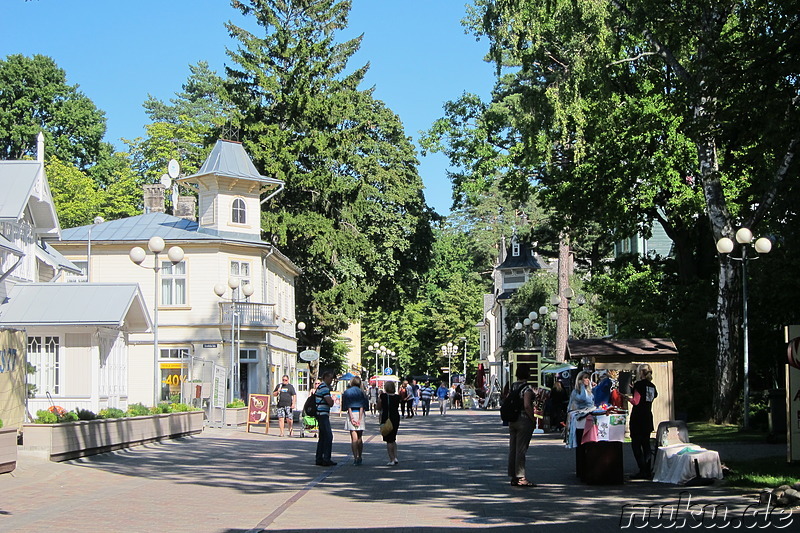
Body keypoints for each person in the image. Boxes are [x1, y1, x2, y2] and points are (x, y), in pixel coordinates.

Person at [624, 364, 658, 479]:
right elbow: (649, 398)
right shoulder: (652, 386)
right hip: (648, 417)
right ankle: (648, 470)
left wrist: (627, 397)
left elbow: (636, 401)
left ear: (641, 373)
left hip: (638, 418)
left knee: (636, 445)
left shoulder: (639, 385)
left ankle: (642, 469)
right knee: (646, 444)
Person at [507, 365, 537, 487]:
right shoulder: (527, 389)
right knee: (521, 450)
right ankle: (521, 477)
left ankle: (513, 475)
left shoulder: (513, 386)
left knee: (513, 448)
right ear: (527, 374)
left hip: (512, 420)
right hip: (523, 420)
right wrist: (533, 419)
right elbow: (527, 405)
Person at [568, 371, 595, 479]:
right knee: (580, 447)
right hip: (579, 421)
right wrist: (582, 386)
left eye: (588, 378)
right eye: (585, 378)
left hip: (588, 421)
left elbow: (593, 402)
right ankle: (581, 471)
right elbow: (583, 399)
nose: (587, 380)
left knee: (588, 446)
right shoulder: (576, 392)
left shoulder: (590, 391)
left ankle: (588, 469)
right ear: (580, 380)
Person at [342, 376, 369, 465]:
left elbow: (347, 406)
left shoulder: (347, 392)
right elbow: (363, 406)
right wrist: (360, 419)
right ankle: (360, 456)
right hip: (360, 414)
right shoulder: (362, 392)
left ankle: (355, 457)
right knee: (360, 438)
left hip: (351, 414)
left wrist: (352, 418)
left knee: (354, 438)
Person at [314, 370, 336, 466]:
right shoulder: (324, 388)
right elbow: (330, 403)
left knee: (322, 437)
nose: (331, 380)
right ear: (326, 377)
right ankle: (326, 458)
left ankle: (319, 458)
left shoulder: (321, 387)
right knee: (328, 436)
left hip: (320, 414)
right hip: (322, 414)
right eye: (330, 378)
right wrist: (333, 400)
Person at [379, 380, 401, 465]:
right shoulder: (397, 397)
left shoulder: (383, 396)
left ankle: (391, 459)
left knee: (389, 440)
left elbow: (378, 407)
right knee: (393, 438)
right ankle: (395, 457)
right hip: (395, 417)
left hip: (387, 418)